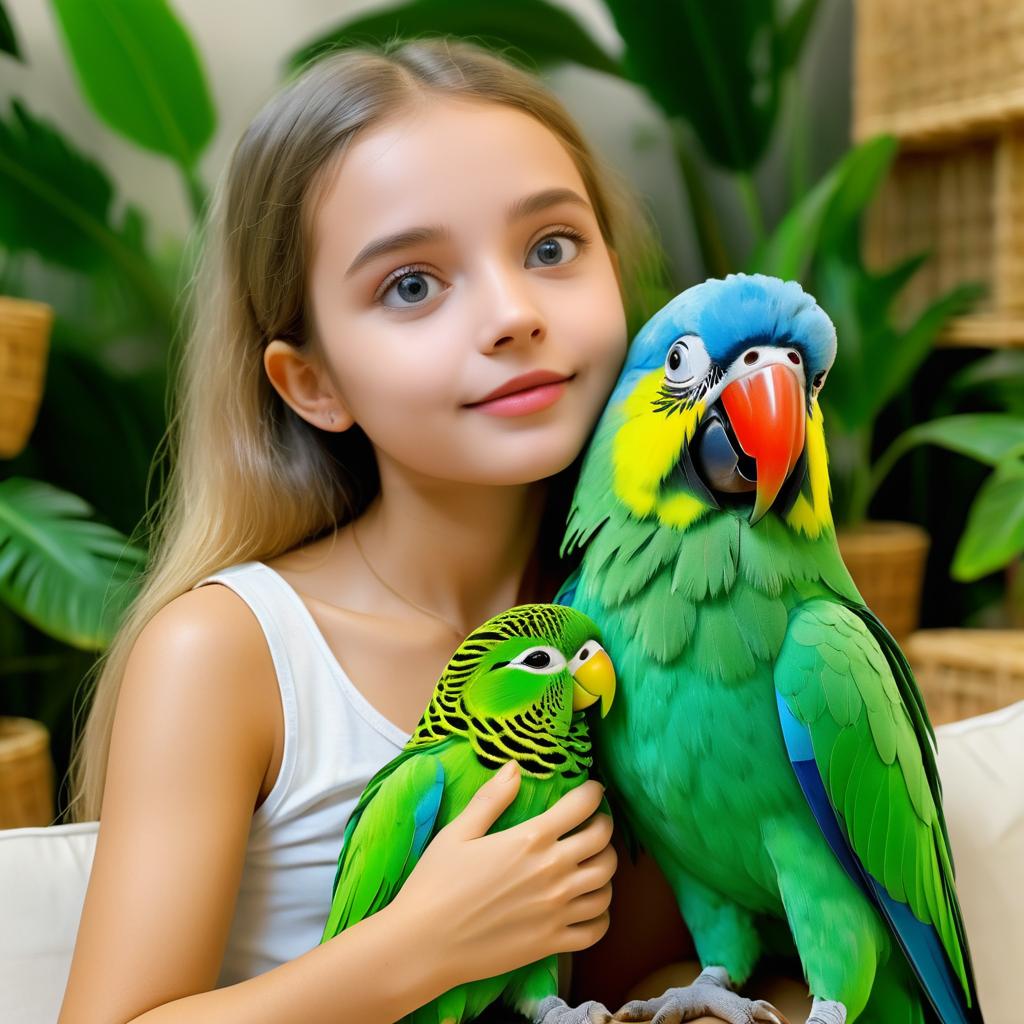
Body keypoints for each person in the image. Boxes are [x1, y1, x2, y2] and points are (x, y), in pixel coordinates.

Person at [58, 37, 803, 1024]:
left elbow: (667, 975)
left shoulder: (651, 641)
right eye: (410, 284)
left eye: (549, 248)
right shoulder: (229, 652)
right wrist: (417, 947)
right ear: (310, 383)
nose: (510, 313)